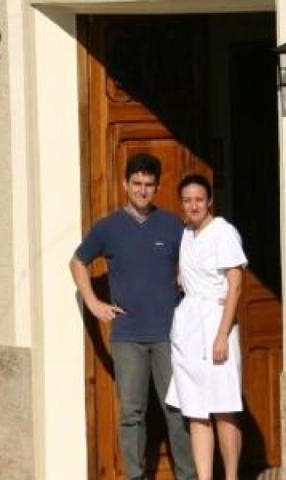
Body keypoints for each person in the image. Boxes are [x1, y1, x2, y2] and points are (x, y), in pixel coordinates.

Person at [69, 153, 196, 480]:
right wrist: (94, 303)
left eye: (149, 185)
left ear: (157, 187)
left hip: (169, 334)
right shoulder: (108, 228)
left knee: (177, 410)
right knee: (131, 414)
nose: (142, 191)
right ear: (125, 184)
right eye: (136, 184)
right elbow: (78, 262)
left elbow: (192, 261)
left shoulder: (172, 225)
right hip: (127, 337)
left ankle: (188, 476)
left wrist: (185, 276)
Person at [165, 173, 246, 480]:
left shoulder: (224, 232)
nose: (193, 205)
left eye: (199, 199)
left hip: (215, 323)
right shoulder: (186, 233)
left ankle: (232, 476)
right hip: (188, 329)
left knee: (224, 407)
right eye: (187, 200)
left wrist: (222, 335)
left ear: (209, 201)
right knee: (196, 410)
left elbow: (235, 284)